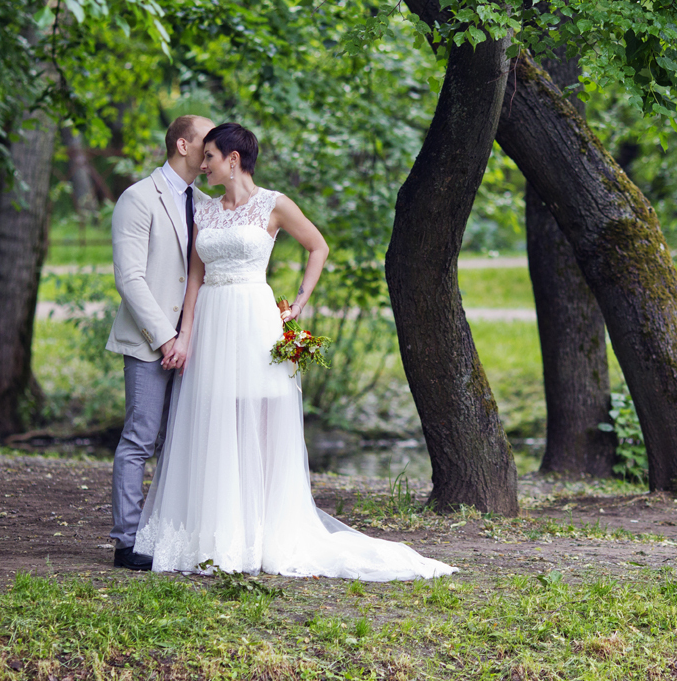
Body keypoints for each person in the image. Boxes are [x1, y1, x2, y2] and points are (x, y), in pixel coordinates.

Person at [134, 123, 456, 581]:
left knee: (262, 422)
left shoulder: (274, 204)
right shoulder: (203, 211)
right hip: (210, 321)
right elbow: (195, 279)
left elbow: (317, 246)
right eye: (201, 157)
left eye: (209, 157)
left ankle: (262, 529)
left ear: (233, 159)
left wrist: (299, 301)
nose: (202, 166)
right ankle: (217, 531)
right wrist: (184, 336)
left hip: (254, 318)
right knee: (212, 420)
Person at [106, 115, 215, 571]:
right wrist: (167, 336)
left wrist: (189, 336)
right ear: (184, 144)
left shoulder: (209, 203)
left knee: (185, 441)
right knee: (139, 438)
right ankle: (126, 542)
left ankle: (172, 535)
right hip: (149, 342)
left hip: (196, 343)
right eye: (208, 141)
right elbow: (129, 278)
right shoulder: (137, 197)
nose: (215, 149)